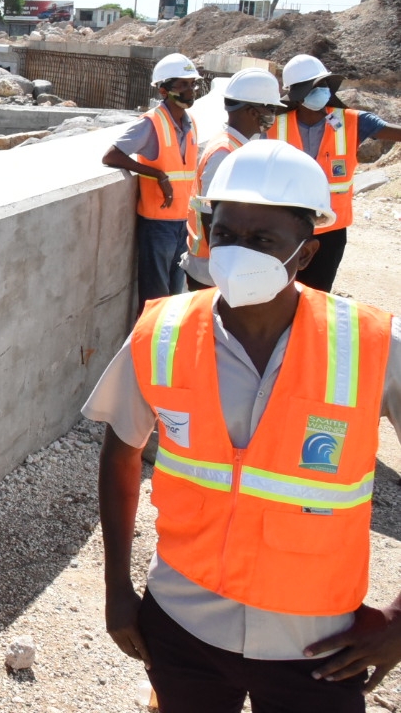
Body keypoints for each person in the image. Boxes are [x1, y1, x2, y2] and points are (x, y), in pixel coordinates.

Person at [87, 140, 401, 712]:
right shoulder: (163, 331)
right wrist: (117, 592)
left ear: (305, 255)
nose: (237, 253)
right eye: (226, 234)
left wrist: (400, 619)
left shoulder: (373, 346)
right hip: (183, 626)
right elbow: (119, 453)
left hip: (316, 644)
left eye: (263, 242)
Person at [267, 54, 401, 291]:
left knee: (317, 294)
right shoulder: (275, 124)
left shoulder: (353, 121)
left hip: (330, 232)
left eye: (325, 84)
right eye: (316, 86)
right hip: (286, 225)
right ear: (299, 93)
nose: (323, 90)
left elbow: (392, 132)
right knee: (280, 291)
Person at [103, 52, 203, 312]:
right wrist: (156, 174)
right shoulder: (151, 123)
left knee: (174, 300)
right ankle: (149, 350)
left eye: (192, 84)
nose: (190, 90)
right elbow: (112, 156)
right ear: (163, 90)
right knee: (156, 300)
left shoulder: (190, 123)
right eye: (182, 85)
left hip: (183, 222)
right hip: (158, 224)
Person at [180, 68, 285, 290]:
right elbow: (211, 214)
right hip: (212, 269)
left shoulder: (237, 146)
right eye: (270, 108)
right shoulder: (224, 152)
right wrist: (226, 268)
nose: (272, 115)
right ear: (251, 111)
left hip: (223, 264)